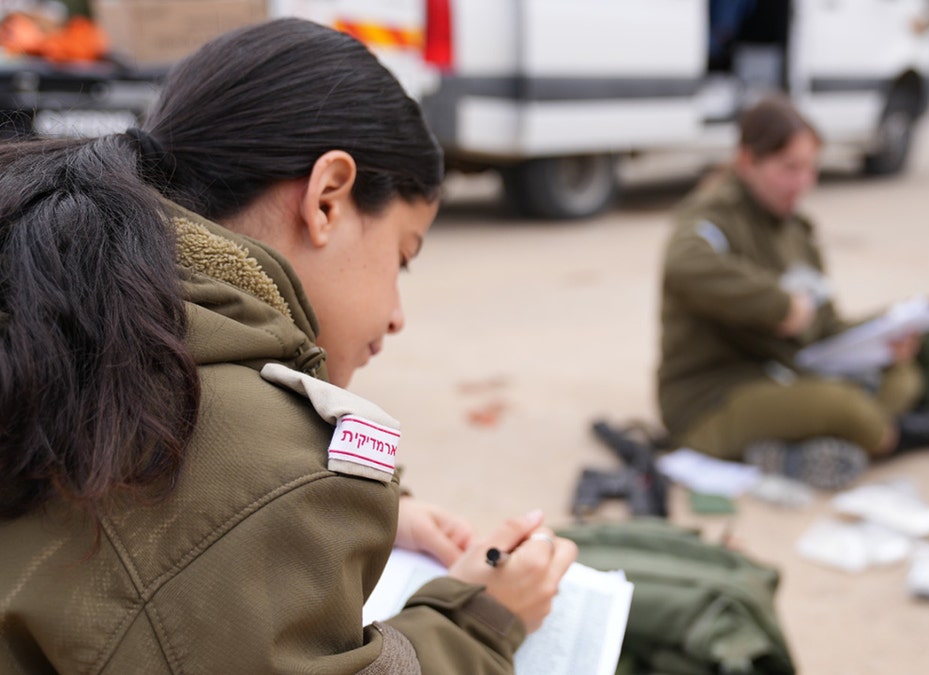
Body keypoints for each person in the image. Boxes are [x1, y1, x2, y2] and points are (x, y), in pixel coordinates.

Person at [0, 18, 576, 673]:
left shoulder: (54, 304)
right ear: (327, 199)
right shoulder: (254, 452)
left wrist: (391, 511)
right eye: (402, 257)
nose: (396, 317)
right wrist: (481, 619)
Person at [656, 93, 927, 490]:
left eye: (810, 169)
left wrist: (886, 331)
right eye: (789, 168)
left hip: (784, 375)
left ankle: (804, 447)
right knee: (848, 411)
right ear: (748, 161)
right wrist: (777, 306)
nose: (803, 183)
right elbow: (684, 265)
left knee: (905, 375)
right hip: (712, 399)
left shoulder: (797, 231)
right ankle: (865, 434)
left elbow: (826, 326)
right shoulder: (715, 215)